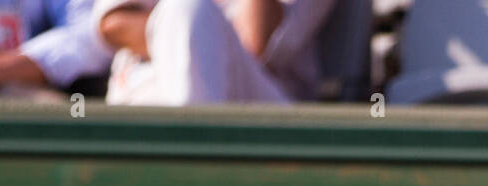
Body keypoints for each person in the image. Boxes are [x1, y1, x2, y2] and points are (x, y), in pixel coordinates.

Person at [93, 0, 344, 104]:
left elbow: (253, 42)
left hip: (257, 113)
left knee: (190, 9)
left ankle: (187, 173)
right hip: (144, 89)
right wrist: (178, 36)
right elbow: (113, 24)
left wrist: (194, 29)